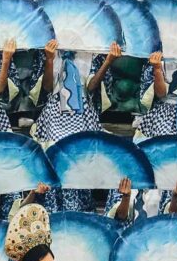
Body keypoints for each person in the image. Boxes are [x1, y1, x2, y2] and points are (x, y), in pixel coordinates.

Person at [32, 39, 120, 212]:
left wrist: (108, 60)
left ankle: (79, 212)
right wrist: (49, 59)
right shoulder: (51, 48)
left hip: (82, 113)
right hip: (54, 114)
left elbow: (92, 87)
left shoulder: (92, 50)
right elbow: (47, 87)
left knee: (80, 160)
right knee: (55, 160)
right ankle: (54, 211)